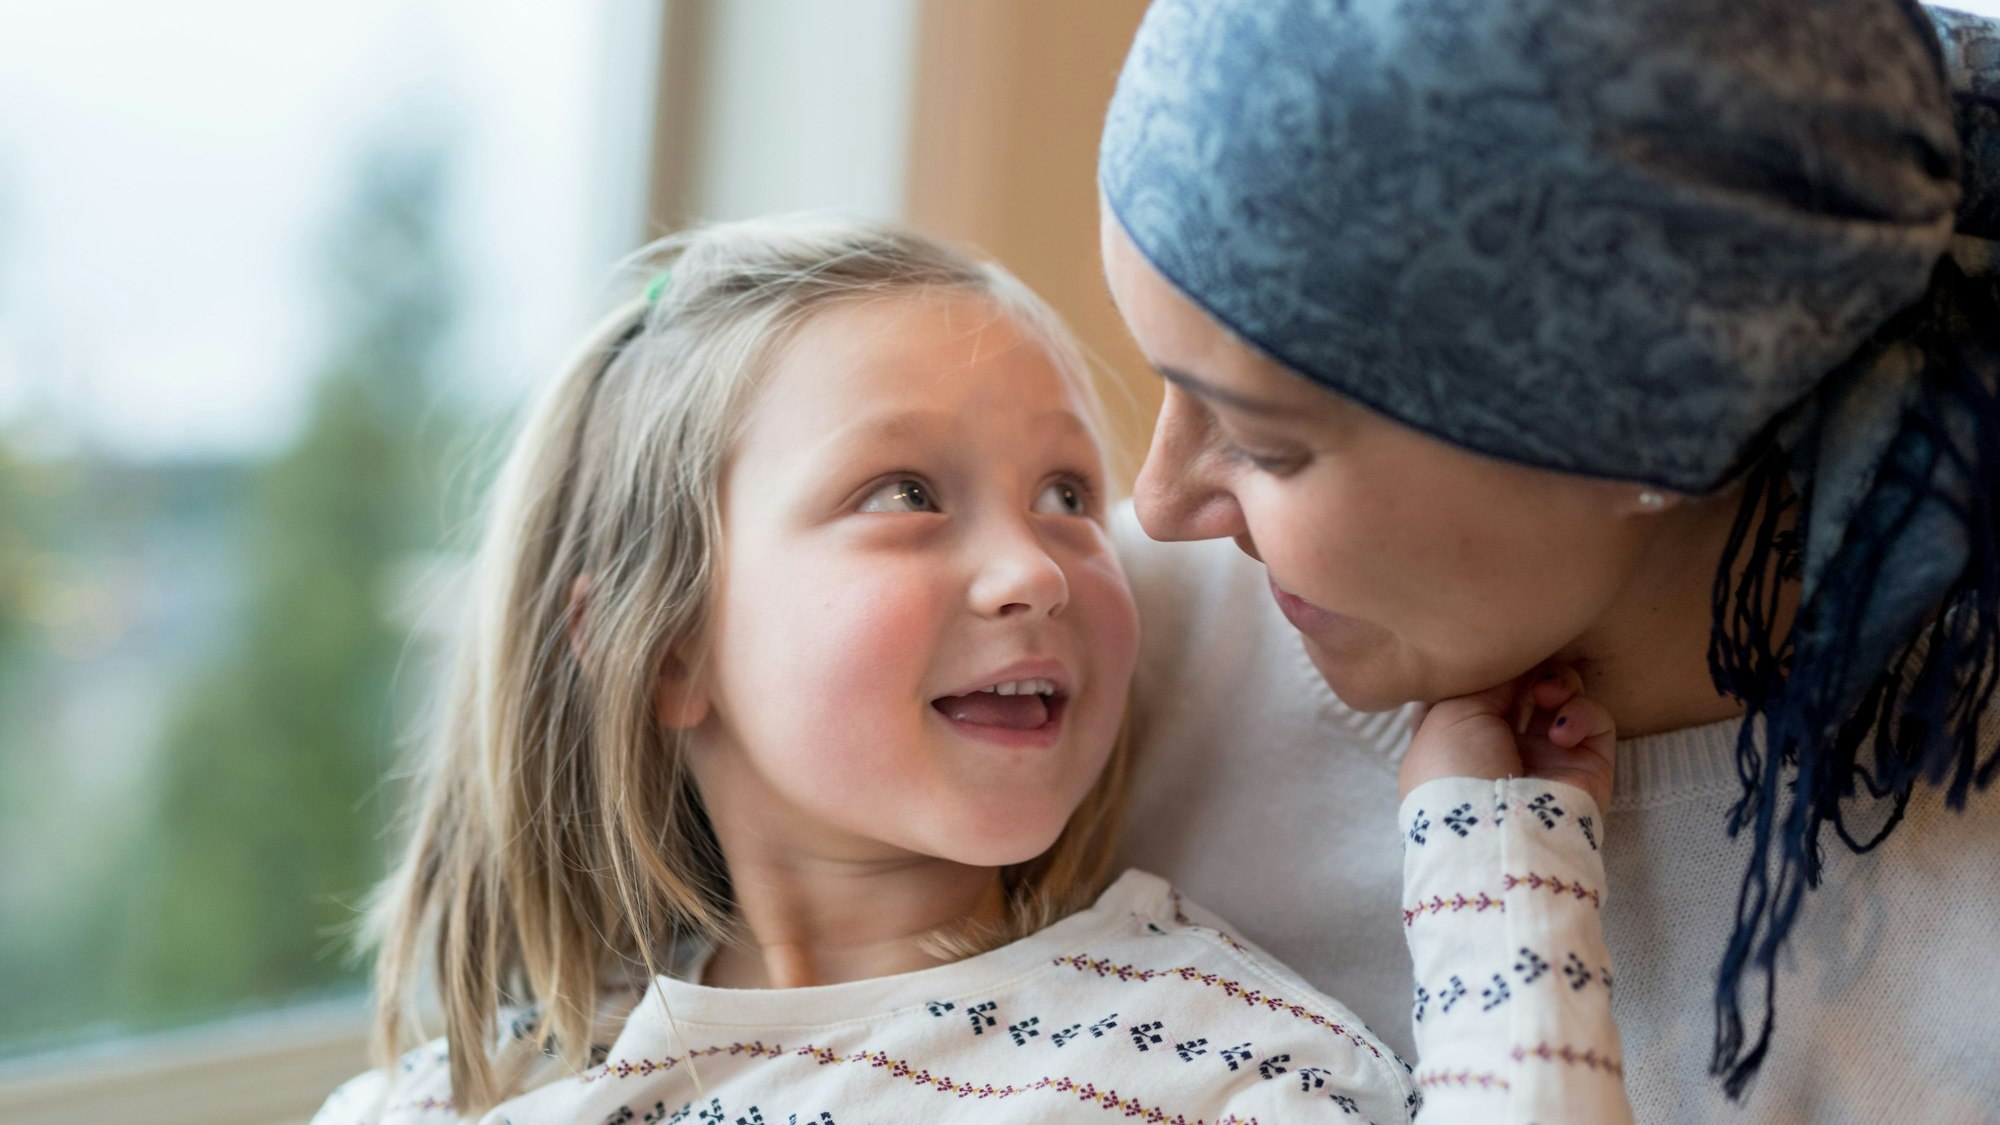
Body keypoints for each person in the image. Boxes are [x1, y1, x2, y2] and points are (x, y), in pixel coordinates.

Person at [311, 217, 1629, 1124]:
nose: (1041, 568)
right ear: (664, 647)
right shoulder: (454, 1094)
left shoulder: (1210, 1057)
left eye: (1066, 490)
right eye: (906, 492)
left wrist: (1495, 864)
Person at [1097, 1, 2000, 1122]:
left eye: (1266, 442)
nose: (1155, 504)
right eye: (1162, 381)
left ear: (1658, 422)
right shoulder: (1083, 660)